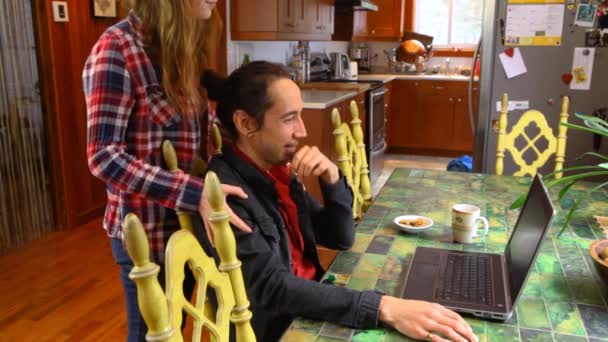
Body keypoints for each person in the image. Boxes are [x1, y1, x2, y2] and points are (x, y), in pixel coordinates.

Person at [203, 61, 479, 342]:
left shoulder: (276, 171)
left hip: (313, 303)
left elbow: (340, 237)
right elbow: (273, 288)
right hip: (284, 328)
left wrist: (332, 179)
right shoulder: (226, 192)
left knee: (425, 298)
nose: (302, 131)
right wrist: (383, 307)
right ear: (246, 123)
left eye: (300, 116)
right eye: (289, 119)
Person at [83, 1, 251, 341]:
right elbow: (103, 156)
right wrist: (193, 193)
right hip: (149, 236)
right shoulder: (117, 49)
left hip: (191, 228)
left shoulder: (182, 47)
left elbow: (195, 133)